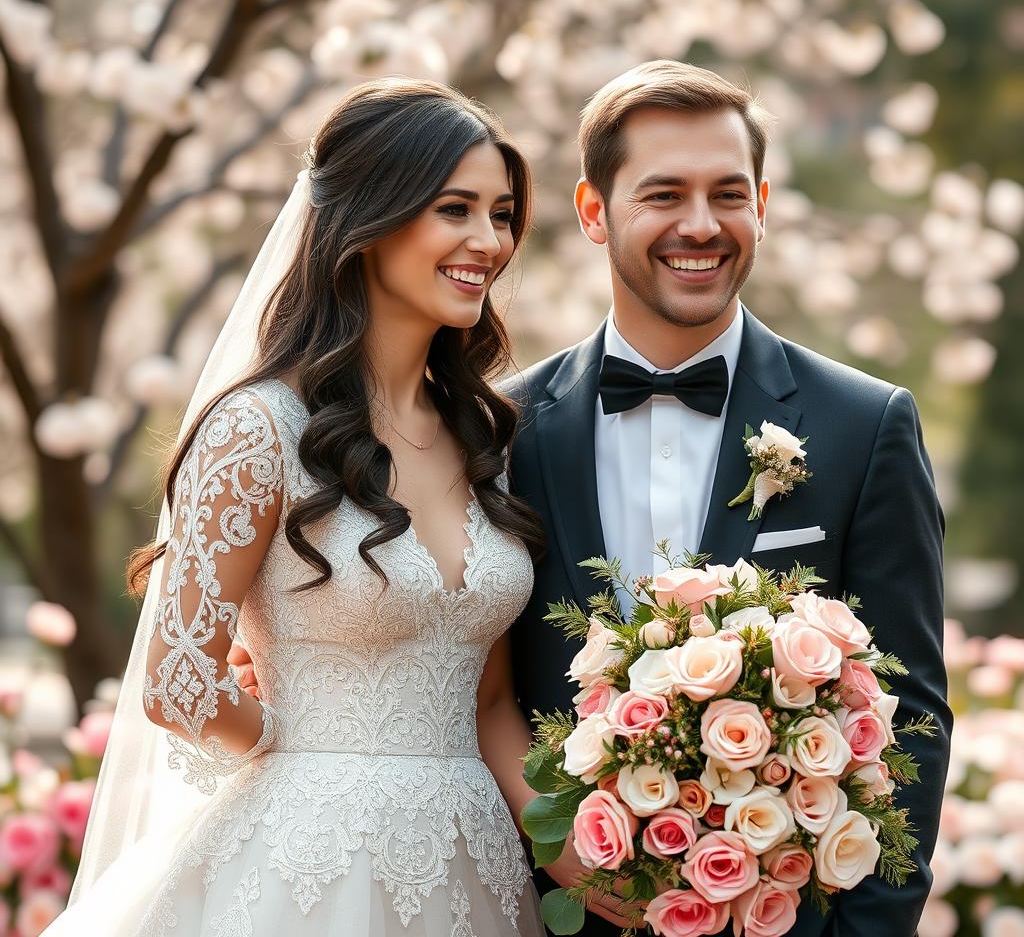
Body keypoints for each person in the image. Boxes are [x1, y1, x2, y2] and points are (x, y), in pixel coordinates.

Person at [45, 78, 548, 937]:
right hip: (306, 866)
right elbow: (176, 680)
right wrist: (299, 747)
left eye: (500, 214)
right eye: (454, 209)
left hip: (479, 869)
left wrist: (573, 840)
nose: (489, 240)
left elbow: (490, 702)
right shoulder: (259, 428)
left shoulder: (481, 432)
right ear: (370, 220)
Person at [503, 60, 953, 936]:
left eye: (729, 193)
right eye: (663, 194)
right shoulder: (505, 431)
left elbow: (915, 714)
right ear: (594, 212)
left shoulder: (865, 425)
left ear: (764, 202)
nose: (701, 226)